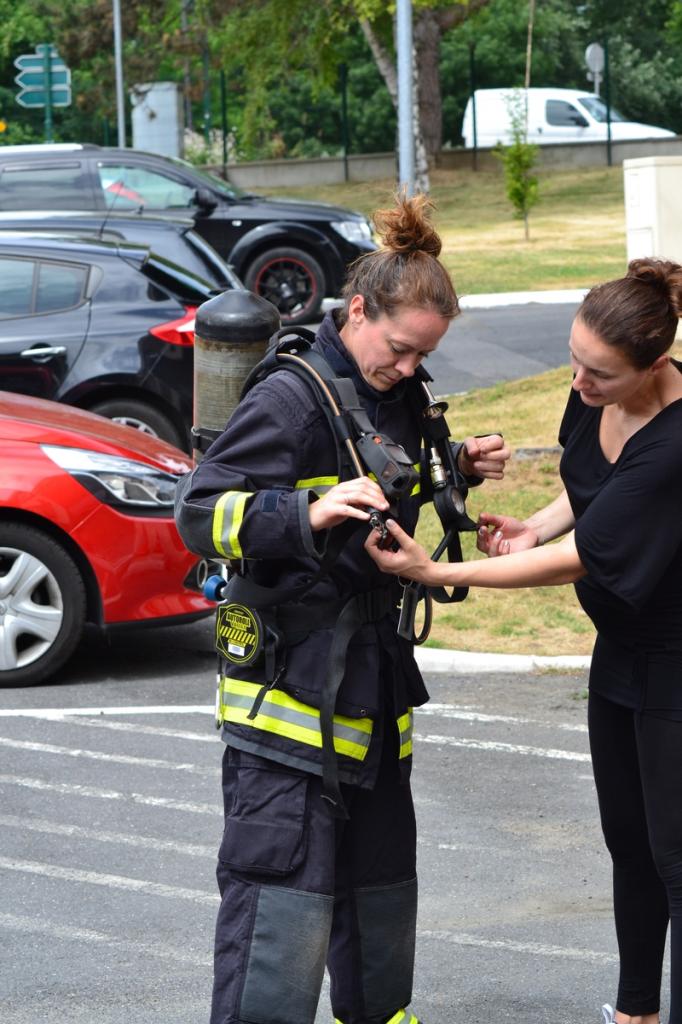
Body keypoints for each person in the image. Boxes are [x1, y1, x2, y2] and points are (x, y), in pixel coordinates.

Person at [174, 192, 510, 1024]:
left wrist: (455, 464)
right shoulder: (291, 398)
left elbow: (388, 465)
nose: (405, 367)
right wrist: (305, 512)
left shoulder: (395, 389)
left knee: (383, 902)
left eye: (420, 355)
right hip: (288, 711)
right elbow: (196, 514)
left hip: (375, 696)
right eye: (397, 349)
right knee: (279, 920)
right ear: (356, 310)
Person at [366, 257, 682, 1024]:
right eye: (575, 362)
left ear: (654, 366)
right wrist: (530, 526)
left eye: (599, 375)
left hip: (679, 662)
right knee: (630, 846)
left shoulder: (676, 445)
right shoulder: (597, 397)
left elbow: (588, 553)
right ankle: (635, 1011)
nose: (578, 385)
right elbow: (585, 488)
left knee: (678, 860)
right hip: (622, 651)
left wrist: (442, 571)